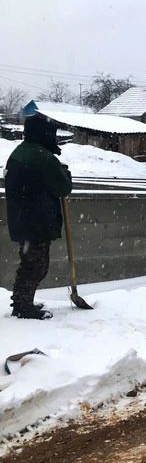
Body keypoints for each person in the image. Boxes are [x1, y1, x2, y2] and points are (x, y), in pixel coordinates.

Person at [4, 114, 72, 320]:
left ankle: (22, 301)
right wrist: (65, 174)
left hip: (23, 218)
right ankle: (23, 306)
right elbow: (62, 187)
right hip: (36, 221)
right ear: (44, 134)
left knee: (30, 263)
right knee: (35, 266)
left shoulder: (22, 151)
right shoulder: (42, 156)